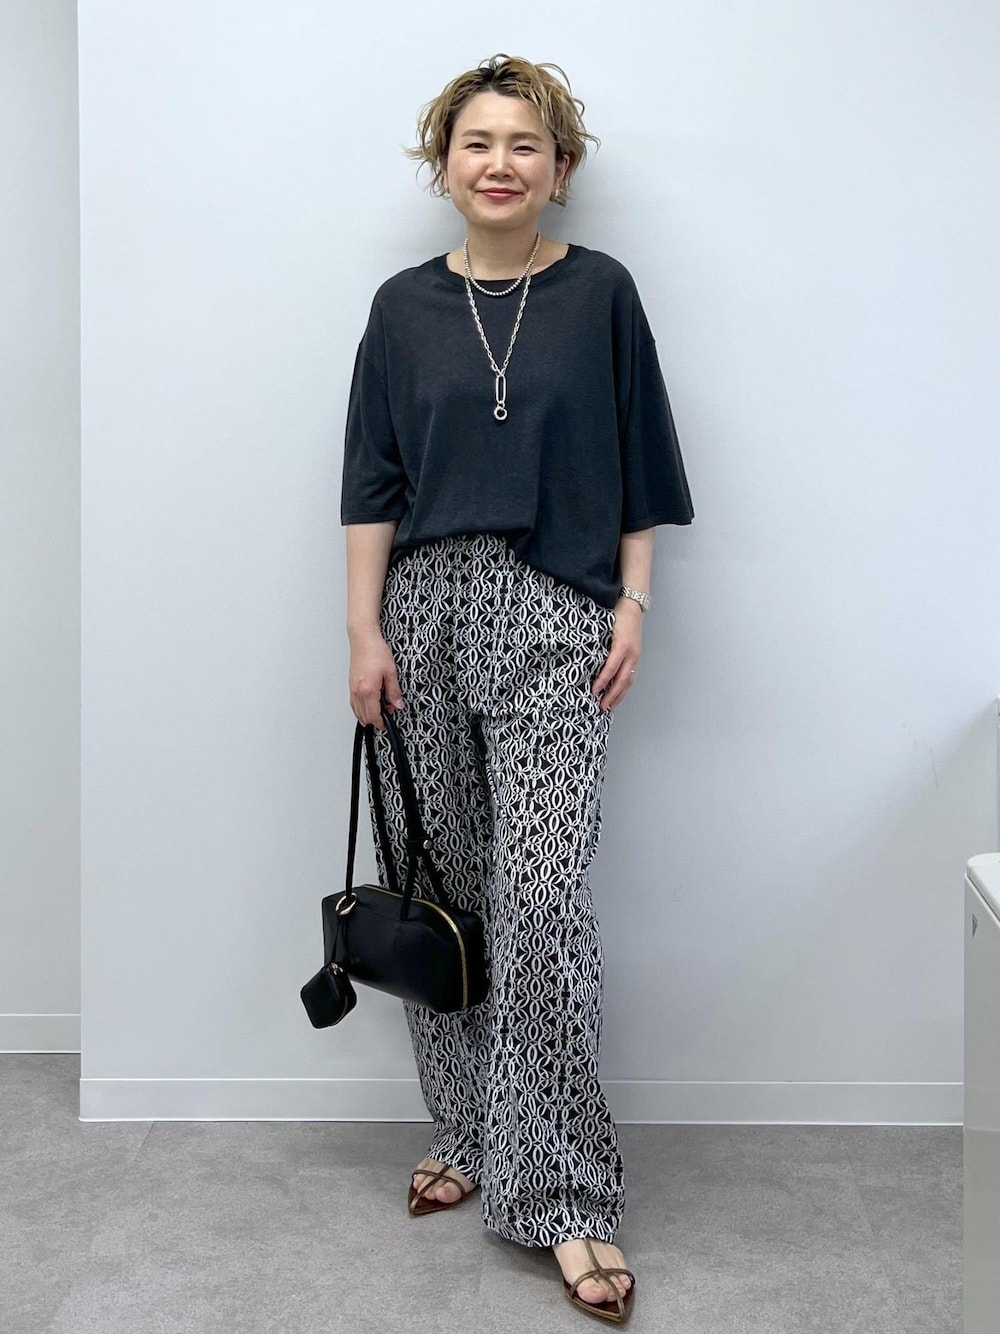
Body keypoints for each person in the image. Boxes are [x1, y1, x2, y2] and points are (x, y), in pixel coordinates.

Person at [340, 52, 693, 1325]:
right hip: (420, 610)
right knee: (443, 891)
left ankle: (570, 1192)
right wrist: (361, 630)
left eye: (525, 143)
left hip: (555, 606)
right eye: (478, 142)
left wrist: (632, 602)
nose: (500, 163)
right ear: (444, 162)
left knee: (540, 900)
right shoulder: (400, 309)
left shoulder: (601, 293)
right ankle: (472, 1129)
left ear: (561, 166)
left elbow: (641, 456)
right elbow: (372, 480)